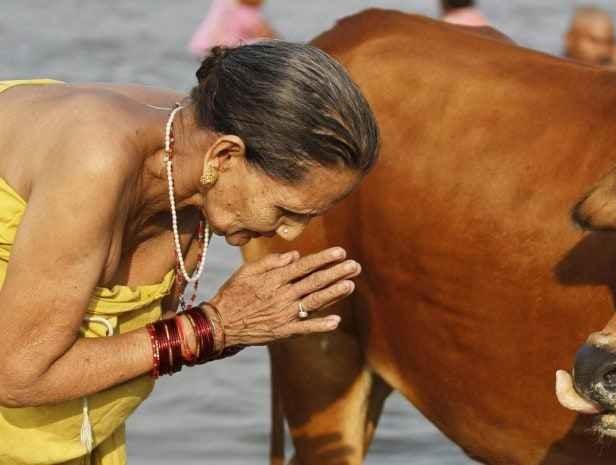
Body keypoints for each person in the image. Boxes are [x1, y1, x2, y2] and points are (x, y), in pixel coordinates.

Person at [0, 41, 378, 465]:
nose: (290, 233)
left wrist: (244, 326)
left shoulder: (198, 149)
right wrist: (215, 327)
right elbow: (18, 376)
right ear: (226, 155)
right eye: (286, 210)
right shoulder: (97, 159)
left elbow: (140, 348)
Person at [188, 0, 277, 58]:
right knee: (264, 43)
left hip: (203, 46)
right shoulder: (249, 14)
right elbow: (267, 35)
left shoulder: (223, 4)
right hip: (229, 50)